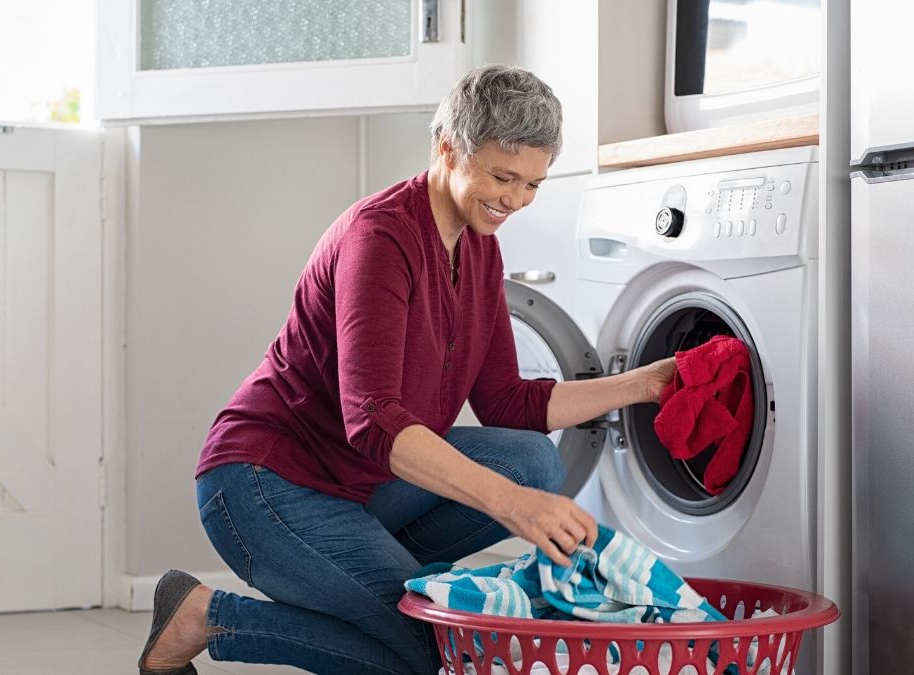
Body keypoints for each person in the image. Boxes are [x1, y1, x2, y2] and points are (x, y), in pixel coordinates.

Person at [137, 64, 678, 675]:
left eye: (533, 184)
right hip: (267, 482)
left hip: (361, 484)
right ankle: (208, 617)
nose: (515, 201)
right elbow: (374, 422)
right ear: (448, 148)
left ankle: (368, 586)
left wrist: (643, 384)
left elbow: (506, 401)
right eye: (502, 176)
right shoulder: (380, 238)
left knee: (534, 463)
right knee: (434, 648)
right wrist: (513, 507)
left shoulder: (479, 245)